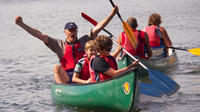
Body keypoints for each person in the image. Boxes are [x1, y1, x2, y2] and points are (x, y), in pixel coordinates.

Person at [15, 6, 119, 84]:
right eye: (70, 30)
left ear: (77, 31)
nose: (72, 32)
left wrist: (113, 13)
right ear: (65, 32)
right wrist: (22, 24)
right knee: (56, 68)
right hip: (68, 77)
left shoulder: (85, 40)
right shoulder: (58, 45)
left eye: (74, 30)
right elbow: (39, 35)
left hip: (84, 75)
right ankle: (63, 92)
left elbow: (99, 27)